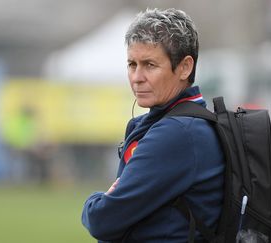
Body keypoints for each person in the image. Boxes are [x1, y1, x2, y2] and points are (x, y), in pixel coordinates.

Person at [81, 8, 225, 242]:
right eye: (132, 64)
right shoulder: (187, 123)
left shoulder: (178, 133)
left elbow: (102, 220)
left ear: (185, 67)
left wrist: (93, 202)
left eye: (149, 65)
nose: (137, 77)